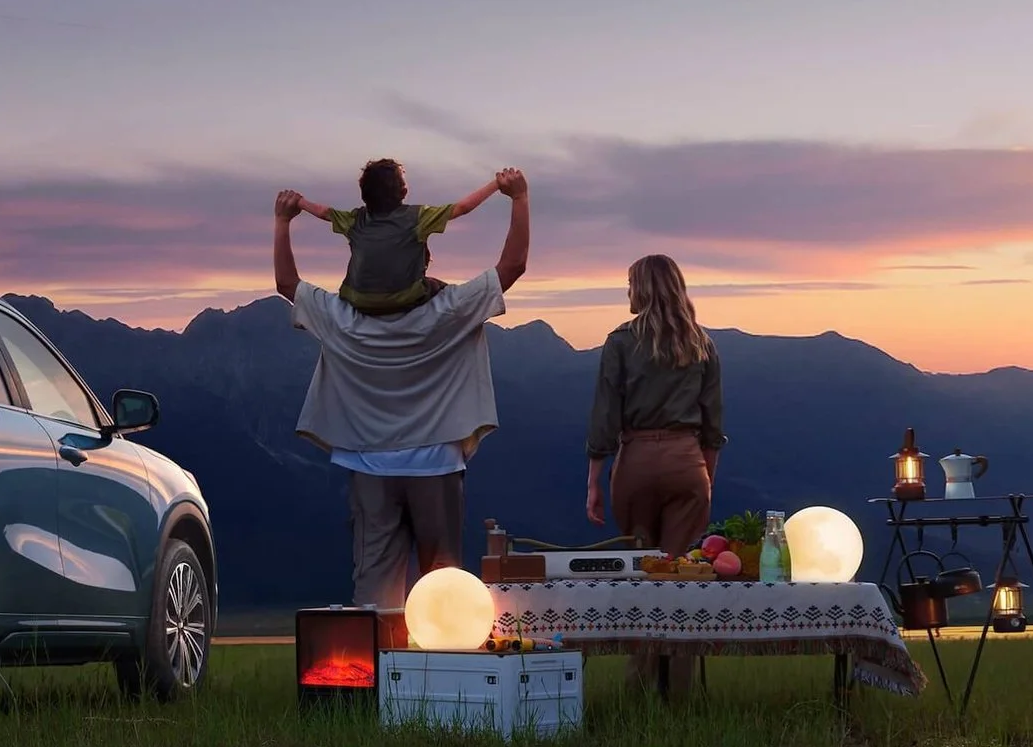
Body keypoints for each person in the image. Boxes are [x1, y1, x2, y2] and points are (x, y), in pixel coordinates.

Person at [275, 168, 531, 614]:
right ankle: (443, 674)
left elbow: (286, 285)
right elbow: (511, 268)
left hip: (369, 464)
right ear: (422, 261)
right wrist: (519, 198)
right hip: (437, 464)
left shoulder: (342, 320)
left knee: (374, 585)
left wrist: (282, 222)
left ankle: (369, 677)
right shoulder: (448, 313)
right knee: (443, 582)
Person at [585, 254, 725, 554]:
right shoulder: (702, 344)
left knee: (641, 561)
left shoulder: (620, 341)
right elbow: (713, 424)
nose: (628, 291)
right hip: (687, 462)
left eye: (630, 284)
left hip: (636, 461)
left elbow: (605, 414)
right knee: (678, 567)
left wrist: (593, 482)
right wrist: (706, 480)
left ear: (642, 289)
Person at [286, 159, 507, 315]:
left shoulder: (355, 219)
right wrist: (497, 184)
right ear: (402, 191)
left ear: (365, 193)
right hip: (405, 298)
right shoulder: (417, 217)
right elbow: (463, 207)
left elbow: (324, 212)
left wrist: (300, 202)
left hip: (356, 299)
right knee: (442, 288)